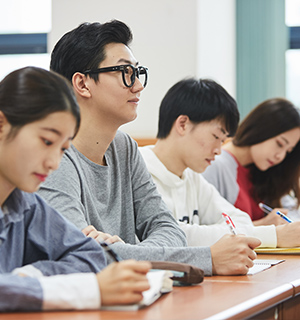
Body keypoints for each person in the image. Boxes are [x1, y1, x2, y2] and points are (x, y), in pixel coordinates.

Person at [38, 20, 260, 276]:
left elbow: (169, 229)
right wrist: (205, 258)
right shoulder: (53, 157)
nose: (138, 85)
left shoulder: (125, 148)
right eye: (125, 73)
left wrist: (125, 253)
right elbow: (81, 256)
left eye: (137, 72)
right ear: (83, 84)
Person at [0, 66, 151, 312]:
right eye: (47, 141)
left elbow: (90, 254)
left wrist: (28, 277)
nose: (54, 163)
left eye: (62, 149)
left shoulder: (25, 203)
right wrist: (89, 290)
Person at [139, 78, 300, 248]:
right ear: (183, 124)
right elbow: (172, 234)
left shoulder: (192, 177)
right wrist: (272, 235)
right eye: (216, 137)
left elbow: (239, 220)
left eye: (223, 140)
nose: (218, 149)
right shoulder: (138, 171)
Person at [203, 98, 300, 226]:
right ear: (261, 128)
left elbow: (291, 213)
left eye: (287, 151)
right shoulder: (214, 165)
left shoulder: (264, 171)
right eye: (279, 144)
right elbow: (203, 232)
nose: (280, 156)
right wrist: (263, 225)